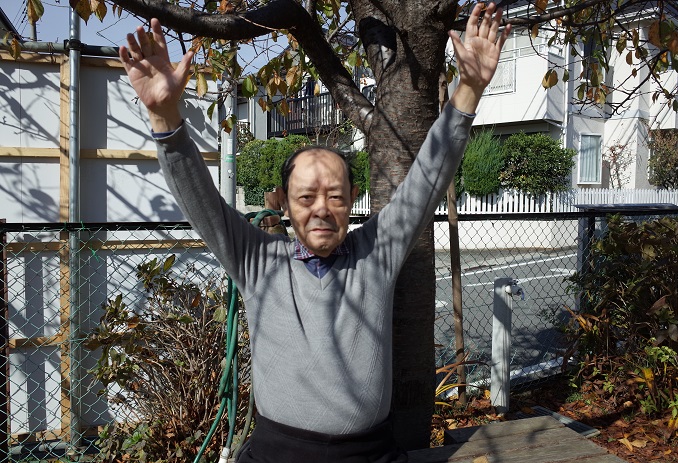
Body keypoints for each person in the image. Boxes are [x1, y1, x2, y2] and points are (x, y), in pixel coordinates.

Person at [119, 3, 509, 462]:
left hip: (370, 454)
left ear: (353, 199)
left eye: (335, 196)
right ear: (283, 203)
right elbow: (199, 199)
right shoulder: (257, 261)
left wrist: (468, 89)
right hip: (275, 453)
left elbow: (426, 178)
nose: (321, 209)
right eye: (306, 197)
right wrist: (165, 116)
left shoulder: (376, 253)